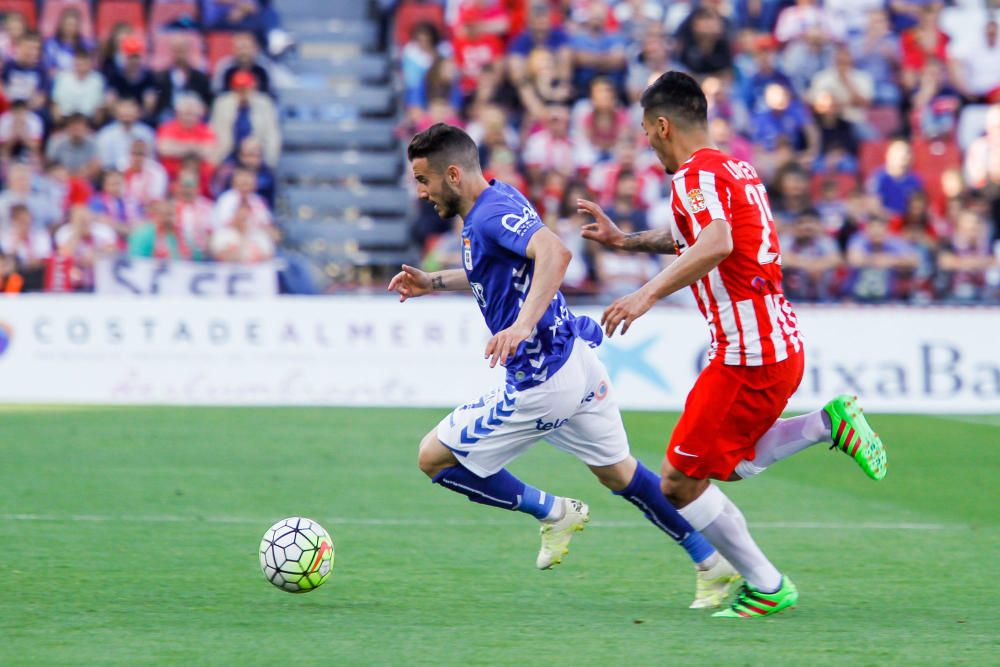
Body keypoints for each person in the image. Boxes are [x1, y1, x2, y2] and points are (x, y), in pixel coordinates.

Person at [388, 122, 740, 610]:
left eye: (424, 180)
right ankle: (711, 562)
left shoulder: (488, 216)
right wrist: (434, 280)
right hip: (576, 359)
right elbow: (491, 267)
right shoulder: (495, 200)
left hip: (542, 381)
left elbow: (556, 251)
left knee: (433, 457)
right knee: (621, 474)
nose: (420, 191)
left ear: (452, 174)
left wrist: (520, 326)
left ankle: (553, 512)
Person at [578, 71, 888, 618]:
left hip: (748, 354)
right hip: (771, 344)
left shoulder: (694, 175)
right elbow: (698, 236)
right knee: (727, 466)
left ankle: (768, 584)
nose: (647, 142)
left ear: (663, 125)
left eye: (648, 132)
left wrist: (645, 294)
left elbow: (715, 243)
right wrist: (626, 240)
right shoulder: (733, 169)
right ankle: (826, 425)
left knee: (677, 481)